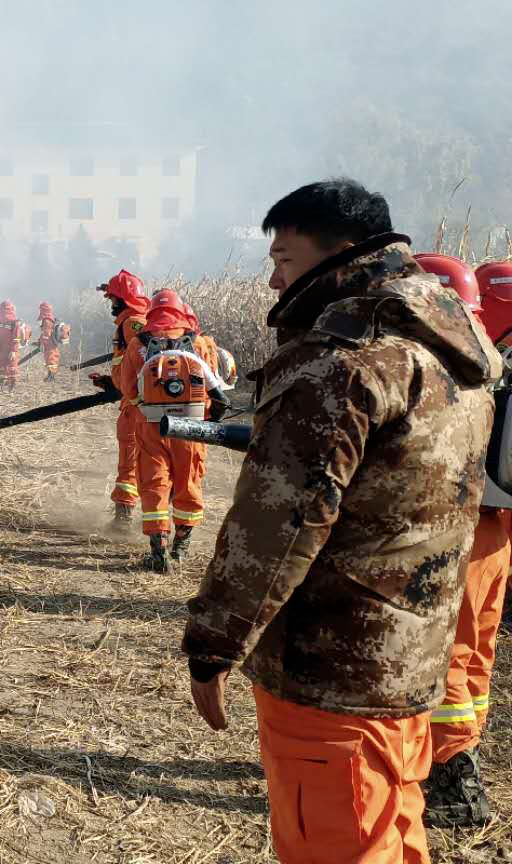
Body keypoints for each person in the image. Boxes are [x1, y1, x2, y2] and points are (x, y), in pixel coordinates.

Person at [182, 179, 501, 864]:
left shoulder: (345, 366)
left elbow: (276, 527)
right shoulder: (454, 348)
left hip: (335, 667)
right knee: (388, 829)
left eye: (284, 259)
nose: (272, 280)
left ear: (339, 255)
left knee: (338, 840)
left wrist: (213, 645)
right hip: (409, 659)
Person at [414, 254, 509, 828]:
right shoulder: (491, 364)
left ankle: (452, 774)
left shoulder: (445, 370)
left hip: (458, 528)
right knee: (475, 645)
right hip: (493, 532)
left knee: (448, 648)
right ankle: (457, 753)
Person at [119, 289, 223, 571]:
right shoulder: (199, 343)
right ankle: (181, 549)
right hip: (191, 426)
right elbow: (214, 387)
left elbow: (128, 389)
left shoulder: (138, 344)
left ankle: (158, 552)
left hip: (152, 425)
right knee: (188, 481)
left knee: (154, 483)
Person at [90, 271, 150, 528]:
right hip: (134, 398)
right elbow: (128, 363)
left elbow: (139, 365)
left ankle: (123, 518)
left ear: (123, 299)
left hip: (136, 405)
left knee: (130, 458)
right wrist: (111, 381)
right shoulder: (132, 322)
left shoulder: (133, 323)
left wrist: (126, 389)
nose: (111, 305)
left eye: (113, 299)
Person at [0, 300, 25, 390]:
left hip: (11, 348)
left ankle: (12, 385)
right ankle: (1, 383)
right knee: (1, 364)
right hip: (2, 348)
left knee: (12, 365)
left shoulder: (14, 323)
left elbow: (16, 338)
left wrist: (14, 351)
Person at [37, 302, 61, 381]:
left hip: (49, 344)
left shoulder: (46, 320)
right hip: (52, 343)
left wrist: (42, 344)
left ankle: (51, 377)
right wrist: (39, 341)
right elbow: (44, 333)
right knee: (52, 359)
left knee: (51, 359)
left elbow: (46, 334)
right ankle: (50, 376)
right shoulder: (50, 318)